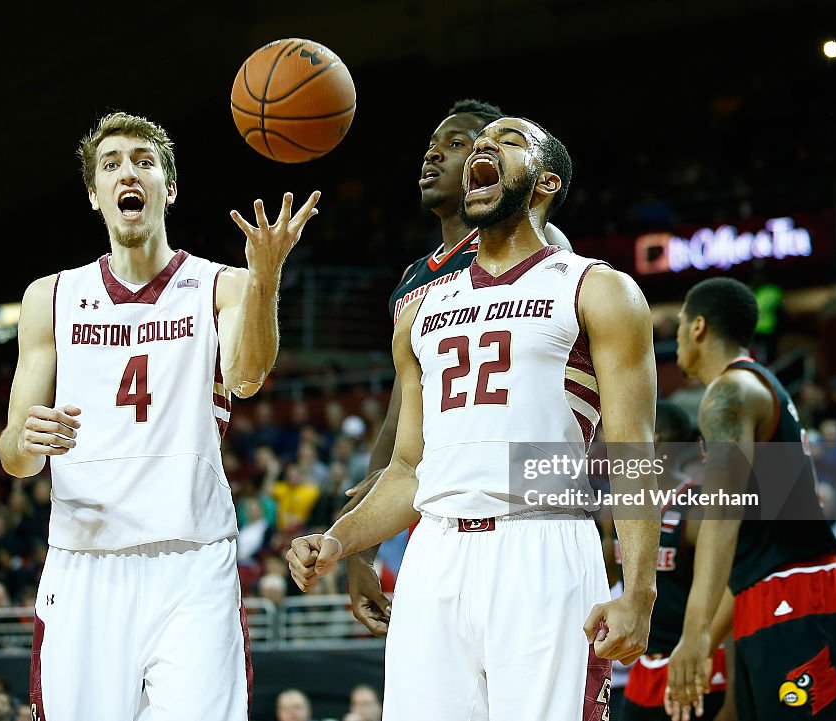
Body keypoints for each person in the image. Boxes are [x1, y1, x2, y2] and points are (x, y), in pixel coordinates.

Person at [288, 116, 660, 720]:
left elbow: (633, 454)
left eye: (509, 142)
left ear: (544, 184)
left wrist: (639, 591)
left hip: (543, 542)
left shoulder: (598, 290)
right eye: (480, 143)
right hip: (434, 555)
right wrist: (339, 539)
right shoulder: (418, 311)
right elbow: (410, 469)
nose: (486, 147)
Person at [0, 111, 319, 721]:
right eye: (111, 163)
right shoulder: (50, 297)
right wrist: (26, 437)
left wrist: (266, 280)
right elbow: (16, 457)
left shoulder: (219, 285)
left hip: (192, 559)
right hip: (86, 557)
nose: (128, 172)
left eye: (144, 160)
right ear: (95, 196)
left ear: (169, 187)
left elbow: (247, 376)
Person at [342, 99, 573, 636]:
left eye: (455, 144)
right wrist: (361, 548)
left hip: (530, 514)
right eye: (431, 146)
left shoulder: (542, 252)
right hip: (442, 518)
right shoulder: (416, 281)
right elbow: (403, 413)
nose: (433, 156)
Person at [666, 278, 836, 721]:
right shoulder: (760, 390)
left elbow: (722, 521)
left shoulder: (730, 393)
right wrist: (711, 640)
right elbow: (757, 546)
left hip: (800, 597)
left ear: (698, 326)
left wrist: (695, 633)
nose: (675, 334)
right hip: (775, 595)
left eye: (679, 322)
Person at [614, 401, 733, 721]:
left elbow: (731, 598)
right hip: (642, 668)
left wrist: (733, 700)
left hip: (693, 665)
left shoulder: (699, 507)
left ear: (654, 439)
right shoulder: (619, 506)